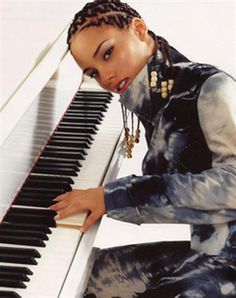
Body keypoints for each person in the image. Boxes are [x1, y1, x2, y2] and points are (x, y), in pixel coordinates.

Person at [50, 0, 236, 297]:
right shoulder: (156, 99)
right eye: (93, 72)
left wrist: (115, 196)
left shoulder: (211, 87)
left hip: (228, 265)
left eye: (108, 53)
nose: (106, 77)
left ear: (138, 29)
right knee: (72, 279)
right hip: (209, 252)